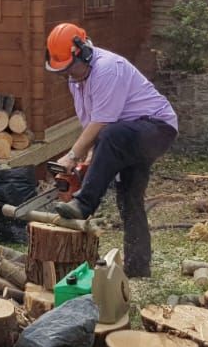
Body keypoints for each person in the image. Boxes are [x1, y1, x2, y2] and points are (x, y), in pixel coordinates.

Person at [45, 22, 178, 277]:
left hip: (157, 128)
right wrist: (89, 159)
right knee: (129, 199)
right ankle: (138, 268)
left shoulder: (107, 69)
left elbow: (103, 122)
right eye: (62, 70)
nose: (68, 74)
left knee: (111, 134)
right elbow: (91, 123)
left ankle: (84, 203)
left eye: (70, 67)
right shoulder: (76, 81)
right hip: (128, 135)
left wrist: (73, 156)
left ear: (83, 52)